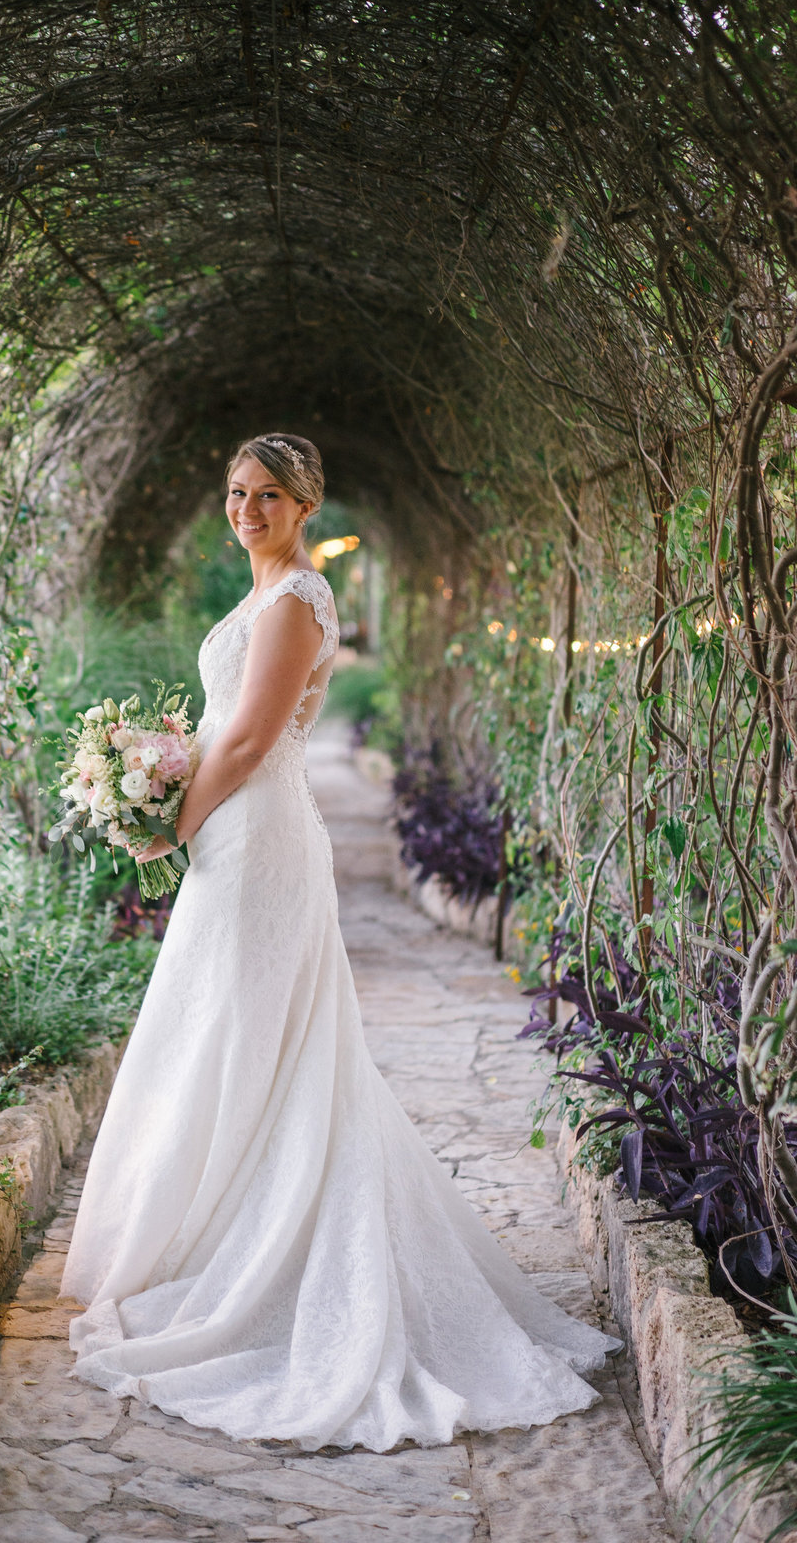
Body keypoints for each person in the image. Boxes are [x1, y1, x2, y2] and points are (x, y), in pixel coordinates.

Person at [61, 432, 618, 1451]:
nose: (247, 511)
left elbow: (249, 737)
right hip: (237, 836)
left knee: (257, 1040)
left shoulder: (296, 603)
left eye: (267, 496)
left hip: (258, 842)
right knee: (235, 1038)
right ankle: (216, 1234)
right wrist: (156, 769)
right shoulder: (264, 593)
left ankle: (281, 1268)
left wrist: (167, 824)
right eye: (236, 493)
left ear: (305, 503)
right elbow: (218, 725)